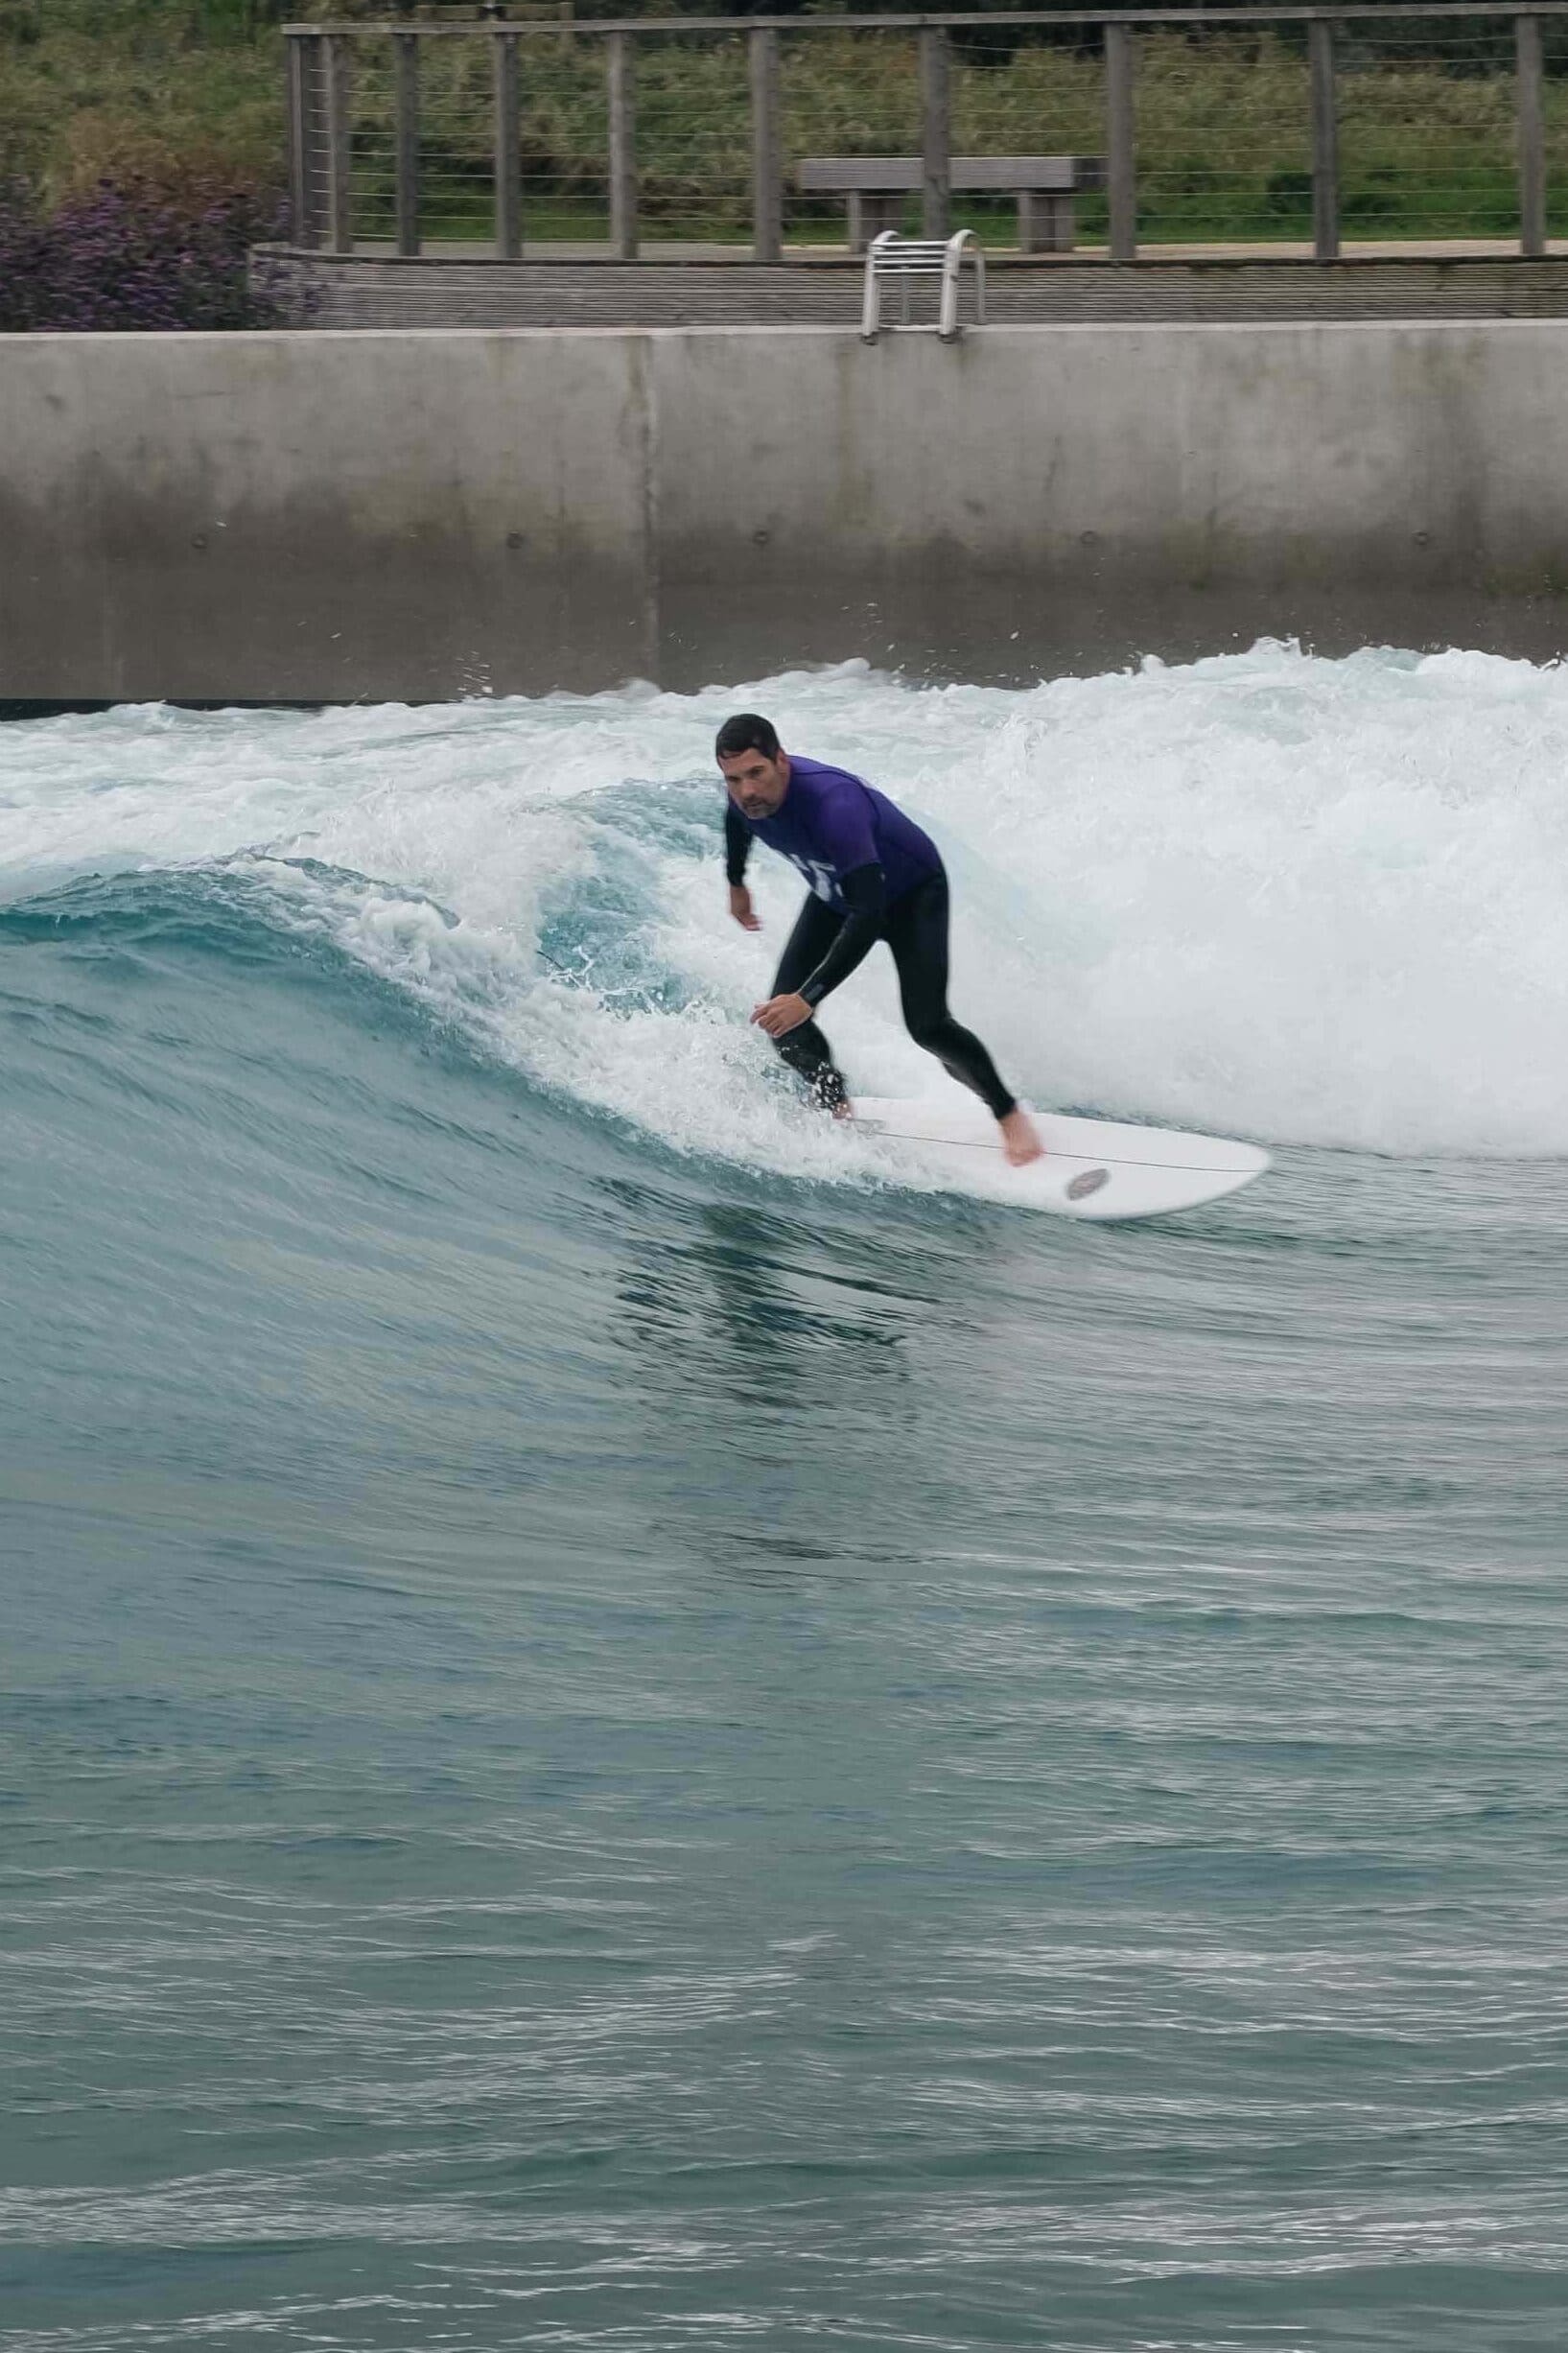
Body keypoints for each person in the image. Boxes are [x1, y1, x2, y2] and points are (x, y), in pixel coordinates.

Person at [717, 713, 1043, 1165]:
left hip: (911, 896)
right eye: (734, 779)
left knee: (928, 1025)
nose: (747, 790)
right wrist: (736, 883)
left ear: (782, 761)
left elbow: (869, 916)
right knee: (783, 1025)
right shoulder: (743, 799)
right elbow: (736, 823)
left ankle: (1008, 1113)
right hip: (835, 894)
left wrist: (808, 997)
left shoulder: (835, 806)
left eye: (757, 773)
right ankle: (834, 1105)